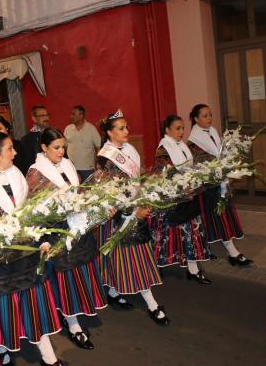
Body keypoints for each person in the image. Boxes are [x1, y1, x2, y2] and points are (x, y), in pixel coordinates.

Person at [0, 133, 65, 366]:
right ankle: (2, 349)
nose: (15, 153)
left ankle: (48, 357)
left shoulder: (16, 174)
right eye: (10, 149)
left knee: (34, 305)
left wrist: (41, 237)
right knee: (3, 311)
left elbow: (31, 210)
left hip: (27, 251)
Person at [26, 128, 107, 351]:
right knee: (65, 278)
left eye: (63, 147)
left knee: (80, 273)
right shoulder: (35, 173)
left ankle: (74, 313)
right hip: (56, 232)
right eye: (56, 147)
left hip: (76, 227)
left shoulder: (67, 165)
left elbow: (78, 191)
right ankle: (73, 325)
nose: (61, 151)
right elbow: (34, 210)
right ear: (43, 148)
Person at [96, 110, 169, 326]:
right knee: (136, 261)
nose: (127, 131)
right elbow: (110, 194)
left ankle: (112, 291)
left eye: (126, 127)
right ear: (109, 132)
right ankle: (152, 305)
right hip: (121, 215)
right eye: (121, 128)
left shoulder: (129, 149)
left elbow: (136, 180)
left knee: (121, 261)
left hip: (135, 208)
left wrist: (145, 197)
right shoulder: (105, 157)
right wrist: (132, 211)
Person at [149, 115, 212, 284]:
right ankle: (156, 267)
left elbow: (189, 168)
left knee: (192, 234)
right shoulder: (163, 148)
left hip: (188, 197)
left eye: (183, 128)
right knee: (165, 237)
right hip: (173, 201)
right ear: (167, 130)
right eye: (178, 128)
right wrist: (182, 186)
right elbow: (161, 173)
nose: (182, 131)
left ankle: (193, 270)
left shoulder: (182, 146)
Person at [187, 104, 252, 267]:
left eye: (210, 115)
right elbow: (199, 166)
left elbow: (221, 154)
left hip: (220, 184)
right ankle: (232, 252)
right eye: (204, 116)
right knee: (217, 218)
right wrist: (219, 172)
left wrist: (229, 166)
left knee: (219, 218)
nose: (209, 118)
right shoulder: (193, 141)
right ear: (196, 119)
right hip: (208, 188)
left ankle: (211, 248)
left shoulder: (213, 132)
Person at [63, 105, 101, 182]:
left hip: (87, 168)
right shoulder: (68, 128)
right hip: (71, 168)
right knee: (73, 191)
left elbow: (98, 147)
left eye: (73, 114)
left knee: (89, 190)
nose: (71, 116)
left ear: (81, 115)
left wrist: (98, 163)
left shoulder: (91, 129)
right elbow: (64, 146)